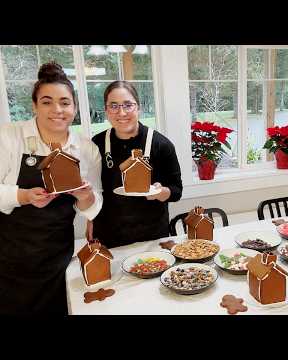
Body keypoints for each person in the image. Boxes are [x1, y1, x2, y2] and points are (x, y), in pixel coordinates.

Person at [0, 62, 103, 315]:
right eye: (47, 102)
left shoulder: (86, 150)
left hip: (58, 256)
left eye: (65, 102)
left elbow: (93, 207)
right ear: (34, 106)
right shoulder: (8, 137)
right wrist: (23, 196)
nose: (57, 110)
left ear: (75, 108)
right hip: (9, 258)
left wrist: (86, 196)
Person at [88, 81, 182, 248]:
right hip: (108, 234)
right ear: (106, 110)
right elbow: (94, 188)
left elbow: (176, 191)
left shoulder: (161, 145)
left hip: (151, 236)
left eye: (128, 105)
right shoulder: (97, 143)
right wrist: (90, 219)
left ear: (138, 107)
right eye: (114, 106)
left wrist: (161, 192)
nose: (121, 112)